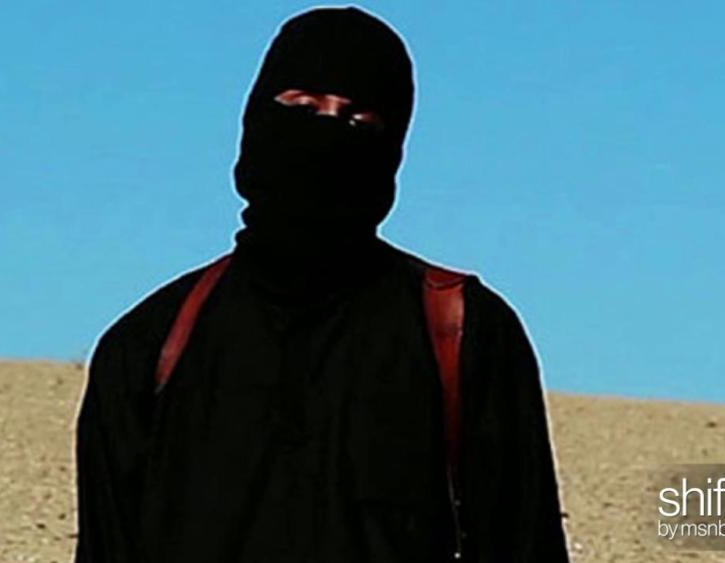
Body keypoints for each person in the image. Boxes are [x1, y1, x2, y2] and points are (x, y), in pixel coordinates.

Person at [75, 6, 570, 562]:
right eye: (303, 107)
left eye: (358, 121)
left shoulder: (463, 333)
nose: (327, 134)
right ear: (256, 120)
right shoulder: (148, 347)